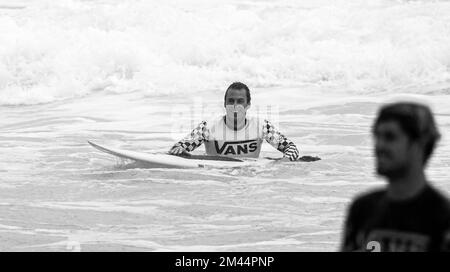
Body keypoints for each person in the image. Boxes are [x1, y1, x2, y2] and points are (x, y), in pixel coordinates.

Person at [341, 102, 450, 252]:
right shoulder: (362, 210)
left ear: (420, 144)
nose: (379, 146)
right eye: (377, 136)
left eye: (390, 137)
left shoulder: (442, 217)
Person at [168, 82, 300, 161]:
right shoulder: (207, 127)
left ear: (248, 104)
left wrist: (283, 163)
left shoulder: (262, 126)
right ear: (225, 104)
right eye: (231, 101)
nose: (235, 105)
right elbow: (178, 147)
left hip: (252, 178)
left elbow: (291, 149)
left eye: (240, 101)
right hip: (215, 178)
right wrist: (179, 150)